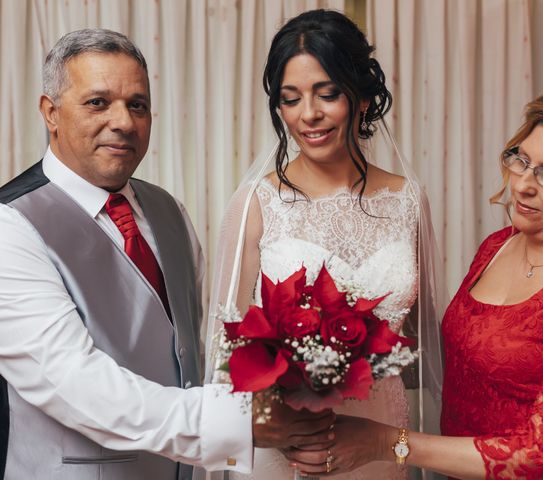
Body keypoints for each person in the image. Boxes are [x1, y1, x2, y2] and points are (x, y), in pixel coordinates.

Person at [0, 28, 334, 480]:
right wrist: (241, 422)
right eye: (98, 102)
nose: (123, 121)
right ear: (50, 112)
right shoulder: (10, 225)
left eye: (137, 104)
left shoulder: (169, 210)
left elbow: (192, 350)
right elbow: (74, 383)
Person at [286, 80, 543, 479]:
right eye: (520, 160)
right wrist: (312, 366)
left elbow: (542, 454)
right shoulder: (499, 245)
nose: (522, 184)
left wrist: (386, 442)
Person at [204, 9, 446, 480]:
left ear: (361, 97)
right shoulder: (257, 202)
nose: (308, 115)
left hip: (379, 435)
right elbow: (226, 352)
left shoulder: (409, 200)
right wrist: (280, 425)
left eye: (327, 94)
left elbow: (426, 337)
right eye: (290, 99)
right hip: (286, 445)